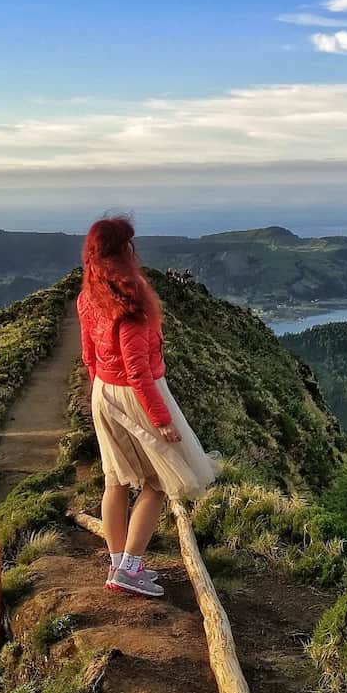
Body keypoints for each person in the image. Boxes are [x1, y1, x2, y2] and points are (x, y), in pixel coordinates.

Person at [76, 216, 219, 597]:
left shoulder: (88, 295)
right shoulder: (131, 301)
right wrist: (162, 419)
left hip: (103, 391)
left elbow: (89, 355)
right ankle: (130, 568)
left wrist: (100, 393)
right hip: (136, 393)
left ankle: (117, 562)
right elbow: (139, 370)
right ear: (124, 251)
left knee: (115, 479)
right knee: (159, 479)